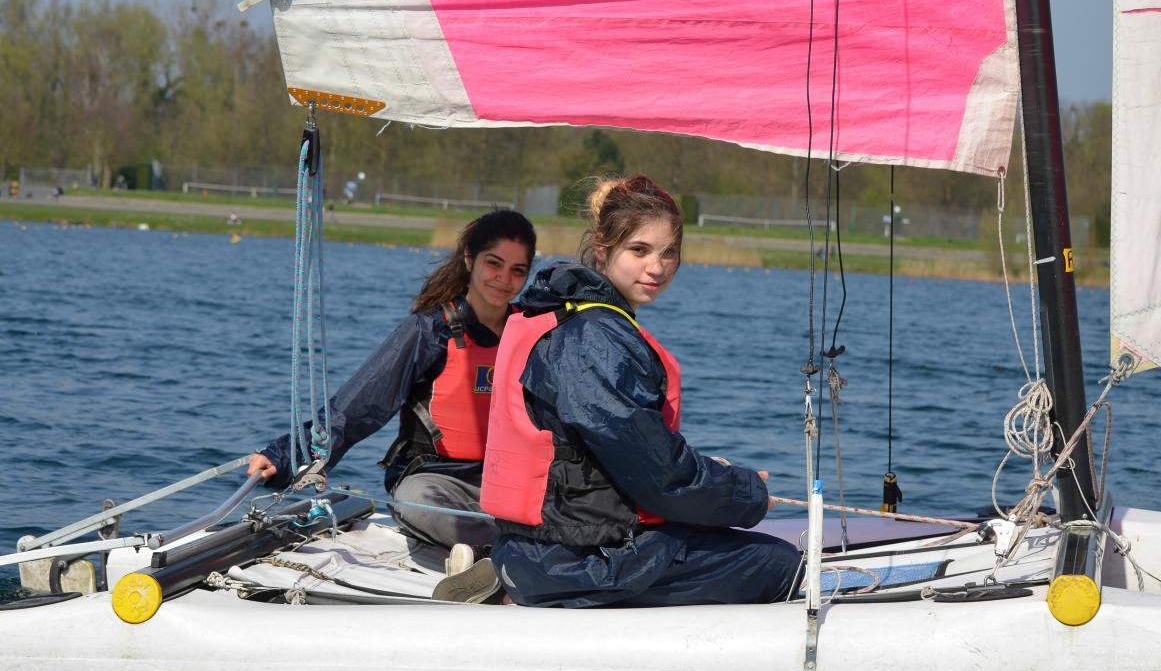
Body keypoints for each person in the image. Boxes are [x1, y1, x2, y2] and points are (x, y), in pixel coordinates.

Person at [478, 175, 801, 607]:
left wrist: (716, 477)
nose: (657, 267)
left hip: (538, 553)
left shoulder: (570, 316)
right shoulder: (594, 338)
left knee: (717, 536)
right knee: (779, 565)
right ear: (602, 249)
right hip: (578, 563)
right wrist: (744, 493)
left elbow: (633, 453)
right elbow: (659, 476)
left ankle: (502, 582)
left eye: (669, 252)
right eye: (639, 250)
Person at [247, 210, 536, 582]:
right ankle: (499, 558)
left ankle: (508, 553)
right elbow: (359, 405)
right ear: (470, 259)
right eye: (494, 264)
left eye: (517, 270)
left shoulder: (533, 332)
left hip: (505, 484)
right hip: (436, 482)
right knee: (416, 502)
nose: (504, 279)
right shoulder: (429, 332)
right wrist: (287, 456)